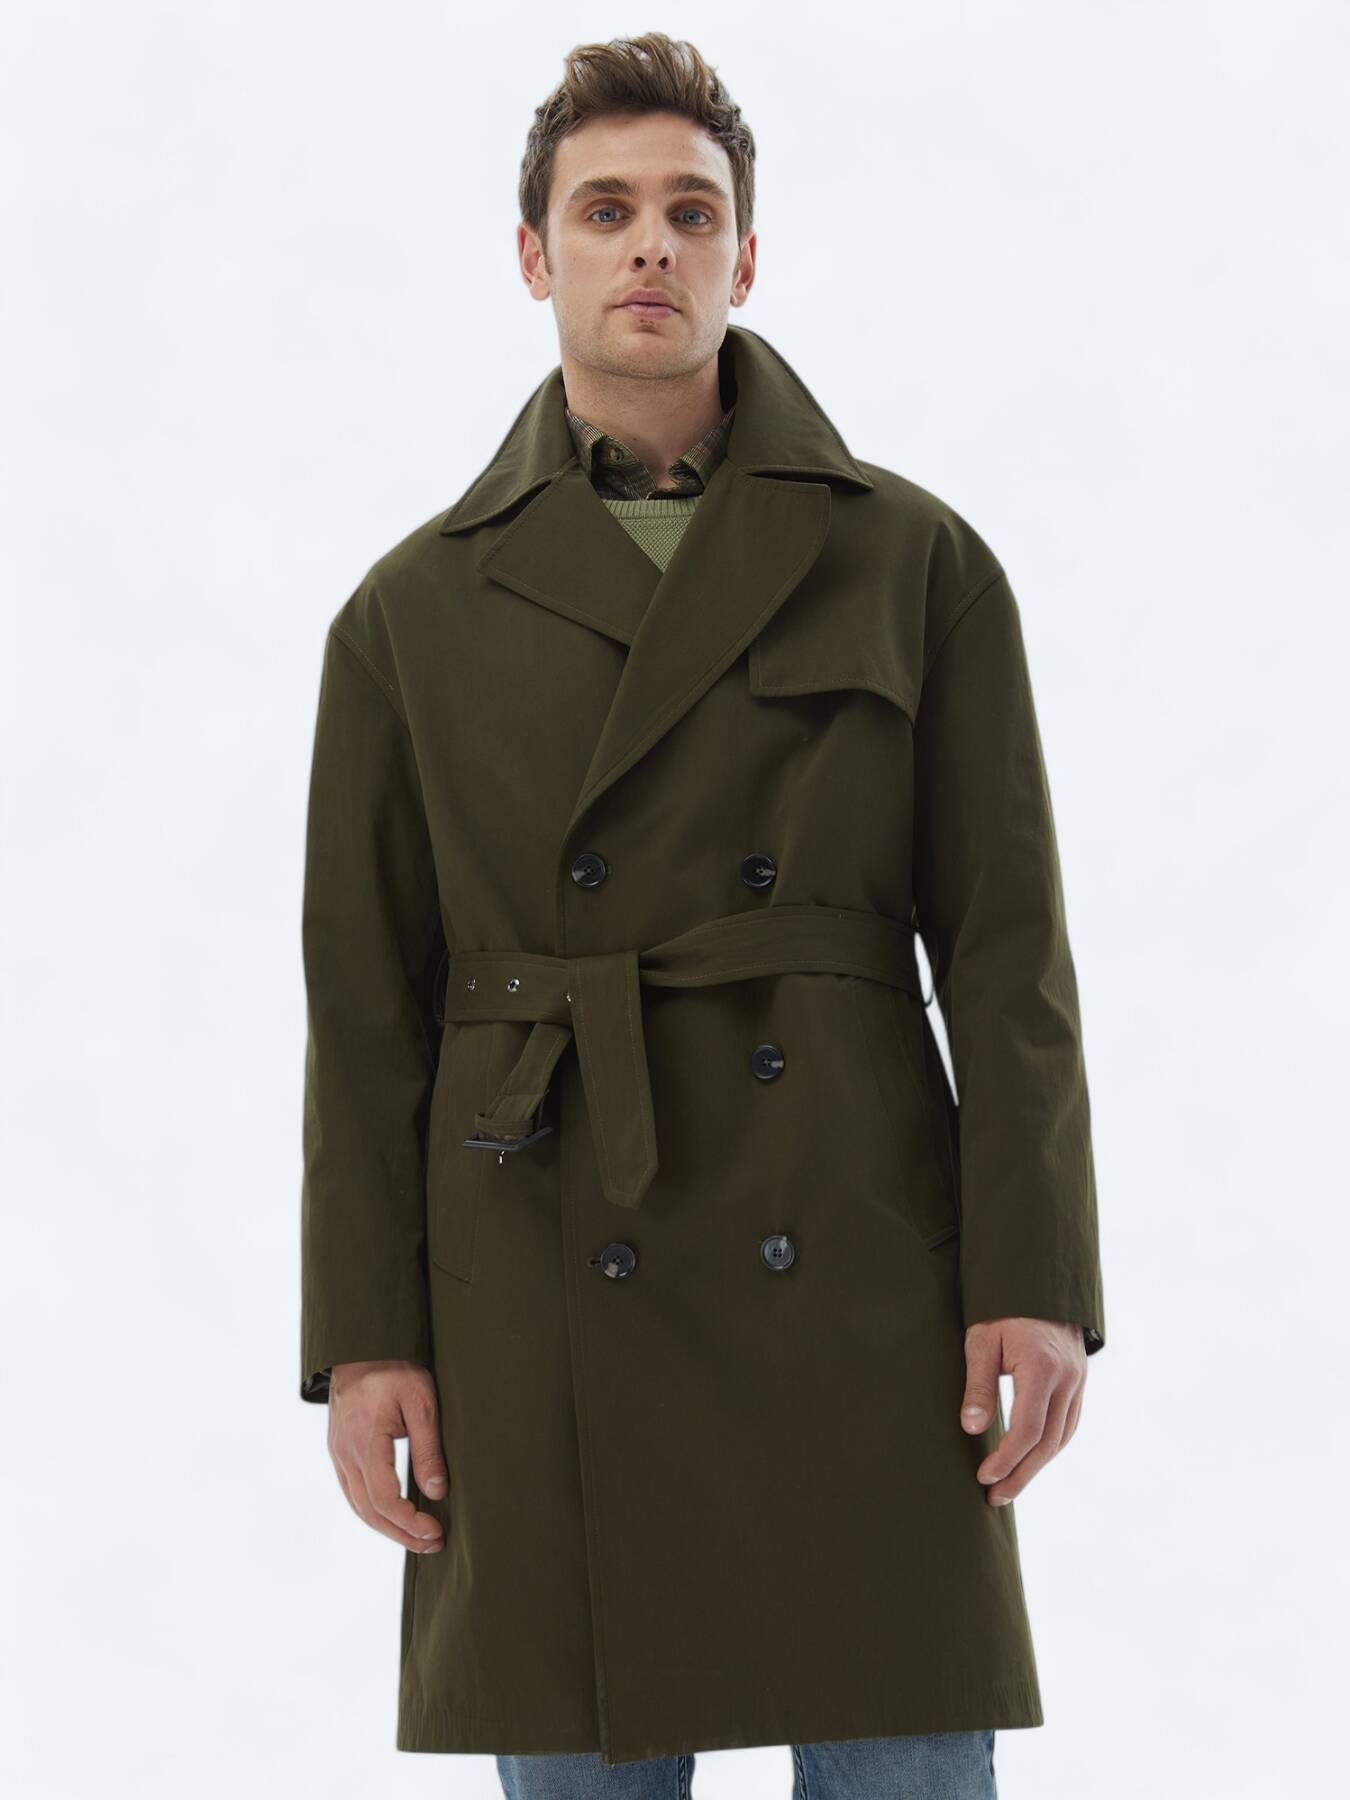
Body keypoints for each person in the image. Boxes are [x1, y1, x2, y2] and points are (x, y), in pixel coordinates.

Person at [298, 30, 1105, 1800]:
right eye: (606, 211)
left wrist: (1035, 1281)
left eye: (690, 210)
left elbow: (1007, 960)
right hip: (540, 1248)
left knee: (904, 1751)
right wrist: (364, 1339)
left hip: (858, 1248)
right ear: (536, 257)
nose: (650, 243)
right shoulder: (410, 611)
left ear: (748, 254)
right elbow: (364, 1012)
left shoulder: (912, 560)